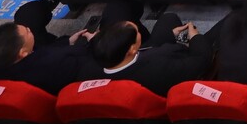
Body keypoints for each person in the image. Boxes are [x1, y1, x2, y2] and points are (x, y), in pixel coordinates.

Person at [82, 17, 212, 93]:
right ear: (132, 49)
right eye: (137, 32)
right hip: (176, 71)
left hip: (147, 50)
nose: (139, 32)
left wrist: (170, 34)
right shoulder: (160, 67)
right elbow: (201, 60)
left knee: (169, 18)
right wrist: (195, 37)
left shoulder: (89, 70)